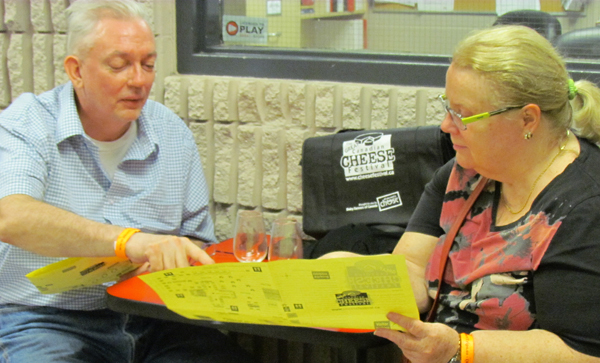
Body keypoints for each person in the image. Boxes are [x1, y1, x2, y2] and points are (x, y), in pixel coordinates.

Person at [0, 1, 258, 362]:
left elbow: (199, 242)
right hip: (47, 319)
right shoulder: (28, 123)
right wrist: (130, 243)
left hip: (156, 316)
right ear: (76, 70)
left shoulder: (170, 132)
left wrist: (174, 260)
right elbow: (11, 217)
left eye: (148, 65)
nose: (138, 80)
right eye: (119, 65)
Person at [324, 25, 600, 362]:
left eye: (464, 115)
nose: (445, 126)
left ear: (528, 119)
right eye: (447, 107)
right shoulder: (466, 173)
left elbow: (582, 351)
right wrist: (357, 275)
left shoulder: (585, 206)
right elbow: (413, 266)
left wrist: (460, 348)